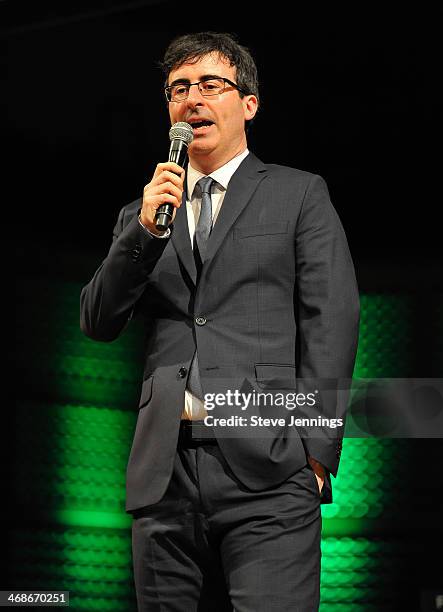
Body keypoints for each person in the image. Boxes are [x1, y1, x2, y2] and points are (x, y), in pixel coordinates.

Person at [80, 31, 360, 612]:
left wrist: (317, 454)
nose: (192, 100)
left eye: (211, 85)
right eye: (178, 89)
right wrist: (147, 232)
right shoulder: (143, 212)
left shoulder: (298, 194)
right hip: (165, 473)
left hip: (271, 466)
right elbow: (98, 320)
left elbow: (331, 322)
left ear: (248, 104)